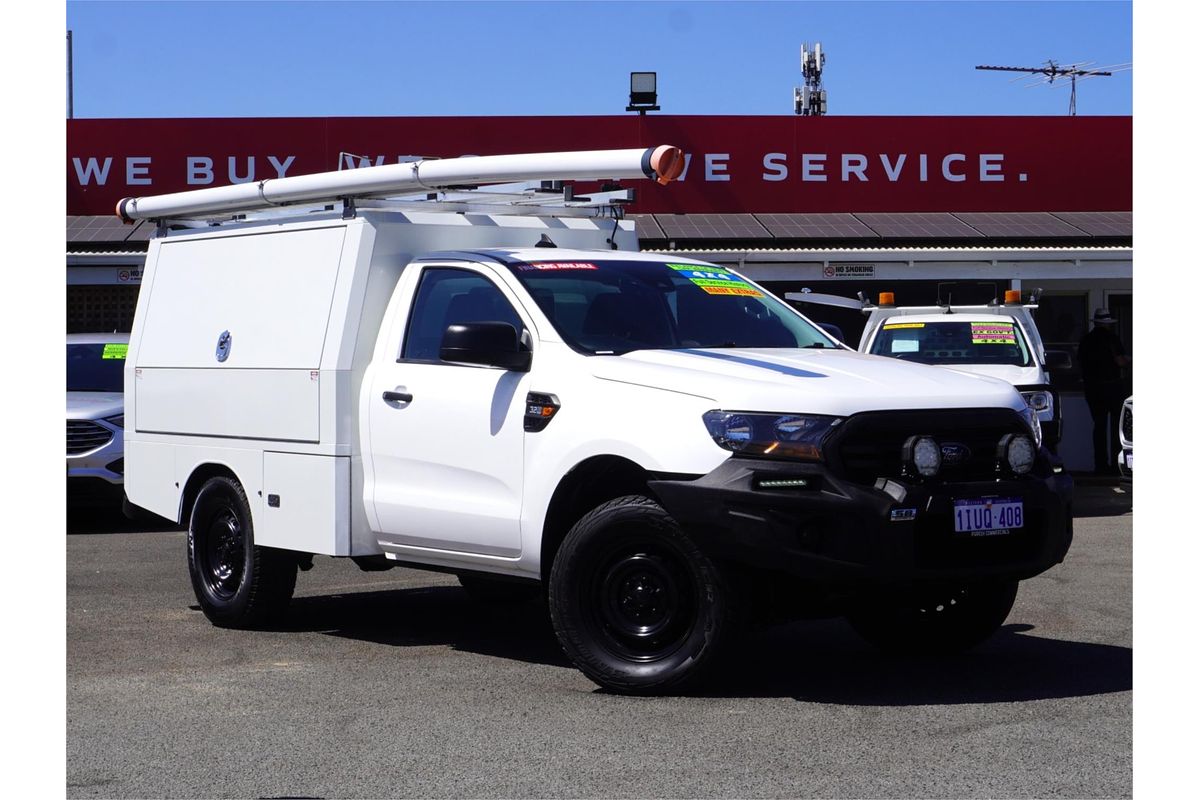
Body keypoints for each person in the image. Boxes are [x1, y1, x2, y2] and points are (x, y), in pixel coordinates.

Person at [1078, 308, 1130, 474]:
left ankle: (1100, 466)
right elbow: (1120, 361)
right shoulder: (1111, 339)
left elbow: (1080, 363)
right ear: (1107, 324)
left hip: (1093, 388)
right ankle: (1116, 465)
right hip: (1112, 386)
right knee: (1116, 427)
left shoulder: (1086, 340)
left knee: (1099, 427)